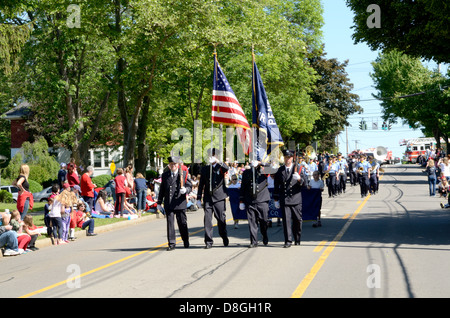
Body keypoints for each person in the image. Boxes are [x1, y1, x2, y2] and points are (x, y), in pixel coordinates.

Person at [273, 149, 308, 248]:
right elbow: (276, 186)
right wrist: (276, 199)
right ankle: (288, 240)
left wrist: (299, 179)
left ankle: (297, 238)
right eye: (285, 157)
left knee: (297, 220)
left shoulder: (299, 168)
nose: (287, 159)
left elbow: (306, 183)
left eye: (289, 157)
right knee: (286, 221)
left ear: (292, 158)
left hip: (296, 199)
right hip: (285, 199)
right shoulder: (280, 170)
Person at [197, 148, 230, 249]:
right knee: (207, 220)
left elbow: (226, 168)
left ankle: (224, 236)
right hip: (208, 197)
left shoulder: (220, 167)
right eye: (210, 155)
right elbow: (201, 184)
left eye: (214, 155)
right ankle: (208, 241)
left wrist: (218, 161)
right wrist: (198, 197)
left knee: (221, 219)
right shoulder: (205, 169)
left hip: (219, 197)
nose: (211, 157)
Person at [157, 156, 192, 251]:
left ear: (178, 165)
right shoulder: (165, 175)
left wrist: (186, 190)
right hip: (169, 203)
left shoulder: (183, 174)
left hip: (180, 203)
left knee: (182, 223)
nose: (173, 166)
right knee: (170, 224)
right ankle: (171, 243)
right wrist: (159, 202)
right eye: (171, 164)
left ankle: (185, 240)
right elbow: (162, 190)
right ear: (169, 165)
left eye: (174, 164)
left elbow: (190, 186)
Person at [239, 160, 270, 247]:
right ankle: (253, 241)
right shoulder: (246, 172)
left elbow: (272, 170)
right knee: (252, 222)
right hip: (250, 200)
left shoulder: (263, 170)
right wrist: (241, 200)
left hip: (262, 199)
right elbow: (243, 187)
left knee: (264, 221)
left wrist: (260, 163)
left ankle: (264, 235)